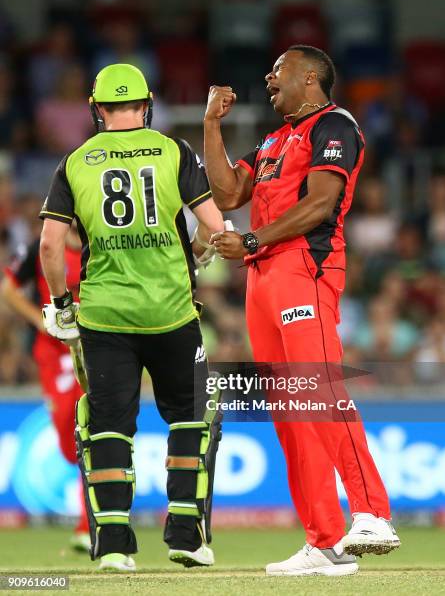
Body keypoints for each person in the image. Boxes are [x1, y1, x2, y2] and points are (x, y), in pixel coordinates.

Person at [204, 45, 400, 577]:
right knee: (291, 411)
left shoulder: (334, 125)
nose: (269, 77)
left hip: (303, 266)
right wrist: (210, 127)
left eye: (279, 69)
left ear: (310, 76)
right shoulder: (272, 140)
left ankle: (373, 513)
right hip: (263, 276)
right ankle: (325, 542)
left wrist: (251, 239)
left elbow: (319, 203)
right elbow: (226, 194)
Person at [38, 64, 225, 572]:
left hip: (104, 315)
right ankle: (186, 534)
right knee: (193, 417)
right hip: (171, 312)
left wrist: (61, 306)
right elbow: (214, 226)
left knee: (107, 427)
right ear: (147, 106)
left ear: (97, 110)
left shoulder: (74, 162)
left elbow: (51, 245)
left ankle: (115, 547)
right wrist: (198, 251)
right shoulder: (174, 152)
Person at [1, 224, 90, 552]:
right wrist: (39, 321)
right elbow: (7, 289)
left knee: (92, 431)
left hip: (96, 347)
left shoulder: (99, 240)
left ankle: (90, 524)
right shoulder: (40, 247)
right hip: (54, 354)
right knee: (70, 443)